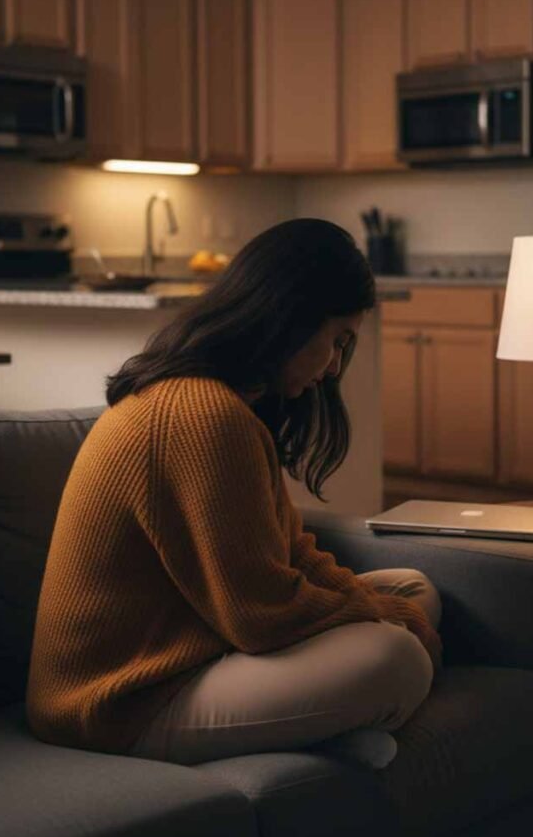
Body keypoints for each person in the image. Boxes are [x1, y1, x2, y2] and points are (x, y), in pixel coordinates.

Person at [26, 219, 442, 768]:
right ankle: (334, 725)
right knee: (397, 658)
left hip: (200, 647)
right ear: (289, 319)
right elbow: (258, 612)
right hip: (120, 700)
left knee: (412, 589)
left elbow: (289, 557)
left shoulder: (230, 407)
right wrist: (384, 620)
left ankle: (330, 727)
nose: (335, 368)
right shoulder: (203, 416)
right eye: (336, 341)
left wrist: (385, 608)